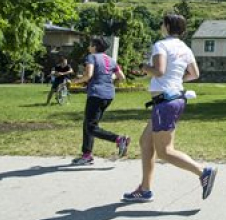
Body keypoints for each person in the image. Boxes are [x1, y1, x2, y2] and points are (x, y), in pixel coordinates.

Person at [123, 14, 217, 202]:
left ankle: (203, 172)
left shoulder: (161, 45)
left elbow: (159, 71)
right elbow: (194, 74)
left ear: (166, 26)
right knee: (146, 142)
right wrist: (175, 81)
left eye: (162, 23)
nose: (160, 26)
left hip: (165, 103)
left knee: (165, 151)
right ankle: (145, 189)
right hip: (172, 99)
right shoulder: (184, 48)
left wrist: (143, 67)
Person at [71, 36, 129, 165]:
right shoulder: (111, 60)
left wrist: (75, 81)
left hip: (96, 94)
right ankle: (86, 155)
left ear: (95, 47)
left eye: (90, 45)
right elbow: (122, 77)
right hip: (108, 95)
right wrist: (108, 82)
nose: (88, 47)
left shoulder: (91, 57)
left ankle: (119, 139)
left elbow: (88, 75)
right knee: (88, 124)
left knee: (91, 127)